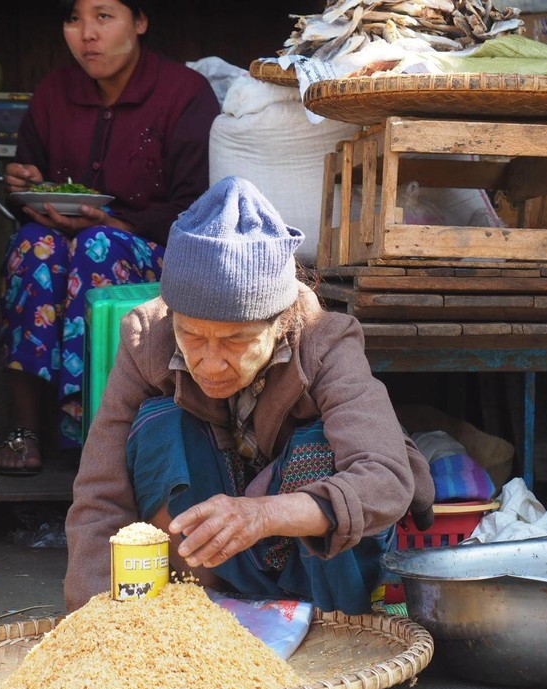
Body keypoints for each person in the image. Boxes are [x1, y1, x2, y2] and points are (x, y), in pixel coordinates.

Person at [64, 176, 436, 615]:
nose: (210, 362)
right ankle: (196, 606)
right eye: (192, 336)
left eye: (236, 341)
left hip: (316, 559)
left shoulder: (327, 341)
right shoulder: (148, 339)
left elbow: (386, 478)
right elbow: (100, 493)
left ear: (279, 322)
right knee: (158, 425)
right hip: (217, 557)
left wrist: (262, 514)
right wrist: (87, 621)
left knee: (317, 446)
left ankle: (338, 622)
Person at [0, 0, 219, 474]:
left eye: (103, 16)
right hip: (61, 242)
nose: (86, 34)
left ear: (139, 21)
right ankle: (26, 428)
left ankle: (95, 429)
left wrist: (122, 225)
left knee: (99, 248)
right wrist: (23, 182)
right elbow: (29, 186)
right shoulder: (55, 92)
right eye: (73, 20)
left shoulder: (184, 93)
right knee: (36, 246)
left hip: (149, 250)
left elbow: (197, 205)